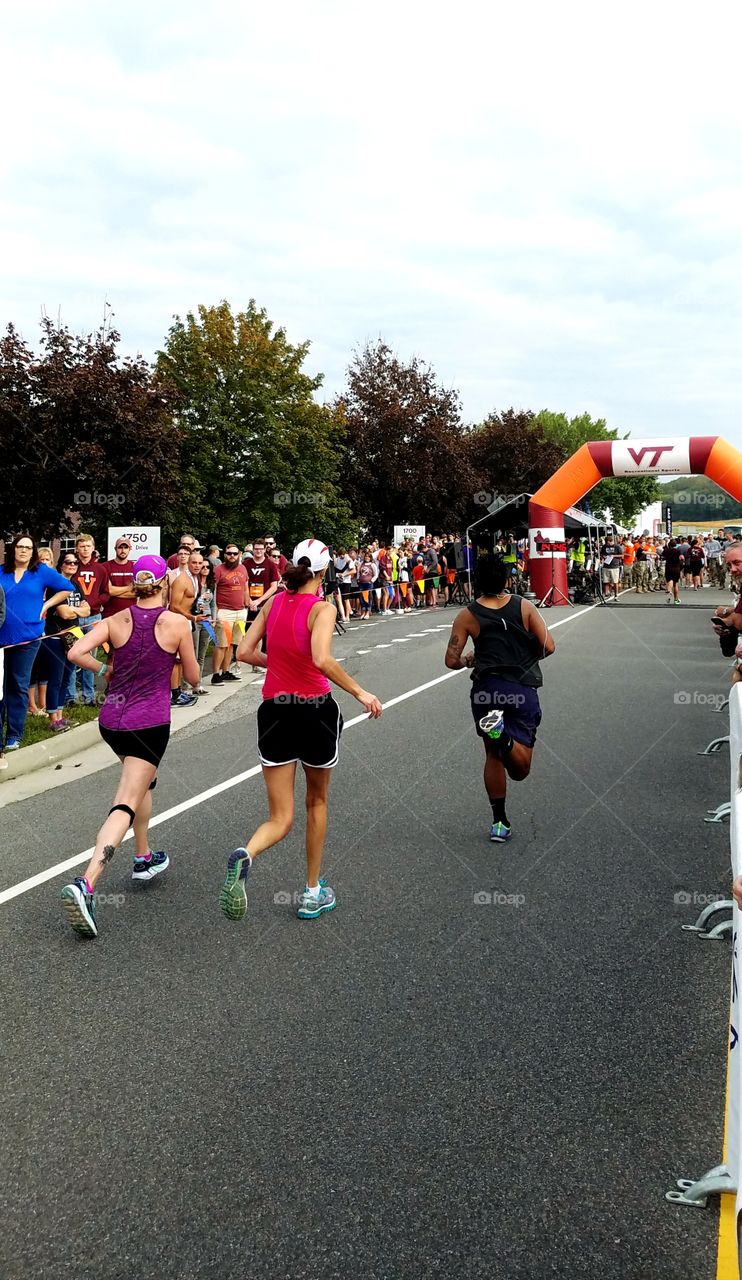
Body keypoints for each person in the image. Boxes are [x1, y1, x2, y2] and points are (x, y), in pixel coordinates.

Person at [218, 539, 382, 923]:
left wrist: (276, 662)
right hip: (314, 710)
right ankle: (311, 891)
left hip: (274, 711)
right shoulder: (322, 609)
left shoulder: (274, 603)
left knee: (280, 817)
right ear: (324, 573)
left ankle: (247, 853)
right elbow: (322, 659)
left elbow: (243, 652)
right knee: (316, 802)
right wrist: (360, 691)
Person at [60, 555, 199, 939]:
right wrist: (174, 665)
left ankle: (143, 855)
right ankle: (86, 883)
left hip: (112, 722)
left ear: (137, 585)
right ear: (163, 584)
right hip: (149, 723)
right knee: (125, 800)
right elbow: (192, 676)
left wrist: (106, 670)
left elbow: (74, 652)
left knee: (143, 785)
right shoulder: (177, 623)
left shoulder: (114, 620)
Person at [444, 554, 555, 843]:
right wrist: (529, 655)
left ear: (477, 582)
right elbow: (549, 646)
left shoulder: (467, 615)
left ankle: (499, 823)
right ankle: (505, 737)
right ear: (507, 579)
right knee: (521, 771)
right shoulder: (524, 606)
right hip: (520, 688)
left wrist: (469, 660)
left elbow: (450, 660)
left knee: (492, 754)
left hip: (485, 689)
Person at [0, 535, 72, 752]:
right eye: (20, 546)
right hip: (2, 638)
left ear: (33, 552)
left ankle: (14, 735)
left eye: (28, 548)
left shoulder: (41, 571)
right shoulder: (2, 571)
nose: (23, 551)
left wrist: (47, 604)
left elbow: (66, 587)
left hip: (27, 637)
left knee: (18, 685)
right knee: (0, 689)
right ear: (13, 549)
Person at [44, 551, 91, 732]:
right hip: (55, 635)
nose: (72, 565)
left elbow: (87, 610)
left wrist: (74, 610)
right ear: (61, 564)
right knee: (55, 677)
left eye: (75, 562)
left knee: (67, 675)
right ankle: (52, 718)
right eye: (68, 562)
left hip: (73, 634)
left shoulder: (75, 584)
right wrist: (76, 610)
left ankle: (61, 716)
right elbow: (63, 613)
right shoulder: (55, 585)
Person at [73, 534, 110, 704]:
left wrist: (91, 603)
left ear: (93, 548)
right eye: (82, 546)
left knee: (89, 658)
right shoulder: (72, 567)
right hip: (74, 618)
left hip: (93, 616)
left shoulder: (101, 569)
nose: (85, 549)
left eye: (88, 546)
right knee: (72, 656)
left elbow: (105, 593)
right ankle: (71, 696)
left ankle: (88, 695)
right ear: (77, 549)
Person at [212, 543, 249, 684]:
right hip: (225, 612)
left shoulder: (243, 568)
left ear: (239, 554)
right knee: (222, 644)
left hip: (240, 611)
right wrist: (215, 613)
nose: (232, 556)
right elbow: (213, 591)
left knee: (232, 643)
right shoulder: (218, 570)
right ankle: (215, 674)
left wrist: (247, 604)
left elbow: (245, 588)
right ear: (225, 555)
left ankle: (226, 671)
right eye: (229, 553)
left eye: (234, 553)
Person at [661, 538, 684, 604]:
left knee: (669, 580)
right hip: (676, 568)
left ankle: (669, 590)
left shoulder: (666, 550)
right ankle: (676, 599)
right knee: (675, 584)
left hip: (668, 567)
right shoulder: (677, 551)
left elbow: (662, 557)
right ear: (675, 544)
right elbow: (682, 558)